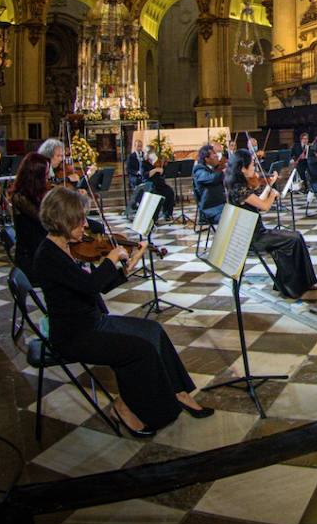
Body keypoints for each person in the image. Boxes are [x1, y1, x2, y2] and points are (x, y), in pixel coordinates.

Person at [32, 187, 213, 437]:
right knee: (139, 351)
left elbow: (94, 290)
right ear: (62, 222)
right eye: (79, 221)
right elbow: (90, 285)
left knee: (154, 330)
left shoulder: (65, 247)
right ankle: (125, 407)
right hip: (74, 336)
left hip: (92, 321)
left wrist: (127, 267)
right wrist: (110, 258)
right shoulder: (48, 256)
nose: (85, 225)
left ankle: (178, 391)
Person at [225, 149, 317, 298]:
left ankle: (301, 283)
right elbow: (264, 207)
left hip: (256, 231)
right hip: (253, 237)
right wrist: (273, 194)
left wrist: (269, 186)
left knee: (296, 237)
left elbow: (257, 203)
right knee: (293, 239)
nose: (255, 168)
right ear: (242, 169)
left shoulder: (238, 186)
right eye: (252, 165)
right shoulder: (239, 189)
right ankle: (291, 286)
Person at [8, 152, 52, 283]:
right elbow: (44, 220)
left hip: (40, 250)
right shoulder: (20, 197)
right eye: (46, 174)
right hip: (32, 259)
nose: (48, 177)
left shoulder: (35, 194)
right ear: (36, 176)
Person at [129, 150, 175, 221]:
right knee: (157, 196)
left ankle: (167, 214)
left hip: (159, 183)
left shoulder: (156, 163)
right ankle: (153, 218)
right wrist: (155, 170)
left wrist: (162, 169)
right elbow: (145, 176)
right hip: (150, 184)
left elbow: (162, 173)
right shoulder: (143, 164)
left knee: (170, 192)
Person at [190, 143, 226, 226]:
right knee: (234, 220)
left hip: (221, 205)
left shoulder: (213, 168)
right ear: (206, 158)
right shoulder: (199, 169)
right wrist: (223, 171)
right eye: (214, 154)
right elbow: (212, 178)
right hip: (211, 210)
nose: (217, 156)